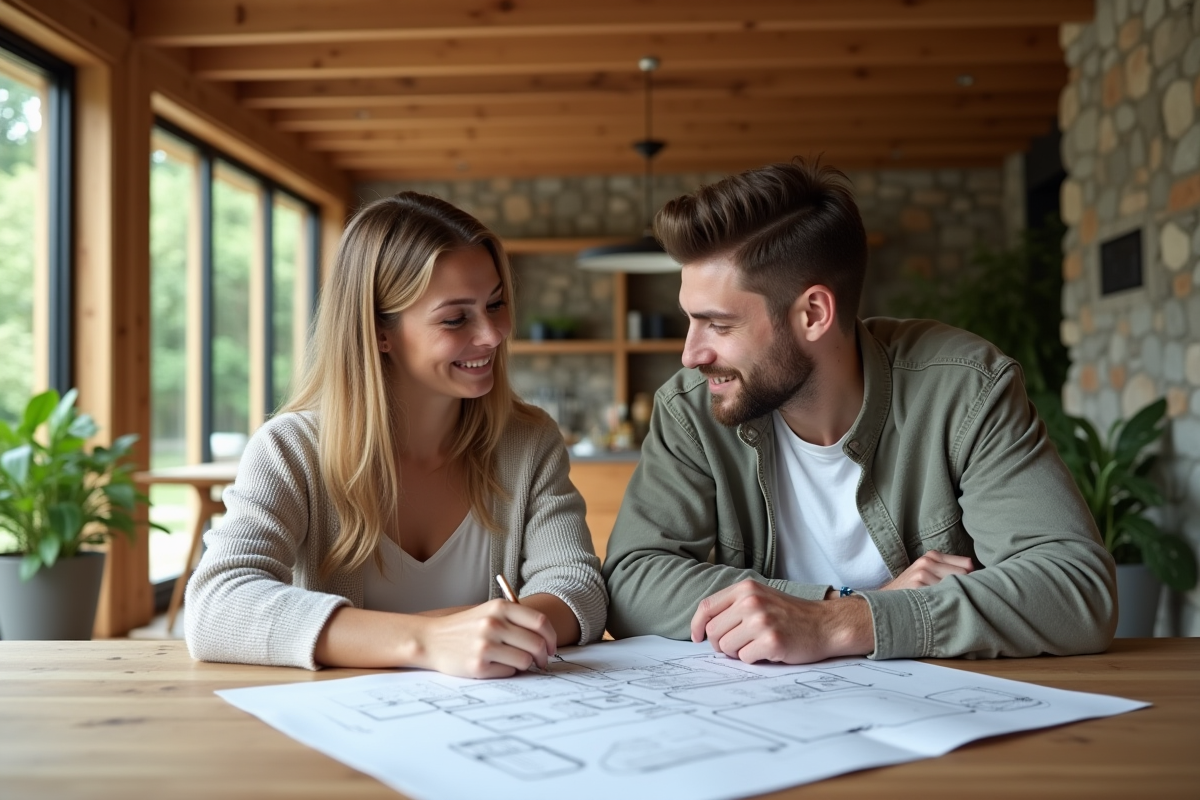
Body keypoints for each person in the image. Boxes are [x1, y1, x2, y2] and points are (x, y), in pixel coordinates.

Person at [602, 159, 1115, 664]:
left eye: (718, 324)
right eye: (690, 321)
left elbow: (1076, 588)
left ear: (813, 314)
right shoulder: (691, 409)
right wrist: (833, 604)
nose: (691, 354)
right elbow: (630, 584)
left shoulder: (964, 389)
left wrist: (844, 622)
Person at [186, 192, 607, 676]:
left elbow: (578, 588)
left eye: (495, 304)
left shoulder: (529, 441)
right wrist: (427, 639)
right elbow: (216, 605)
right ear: (379, 331)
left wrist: (470, 633)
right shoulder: (291, 449)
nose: (492, 334)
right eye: (455, 318)